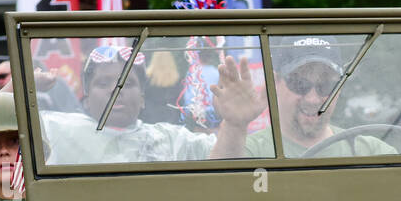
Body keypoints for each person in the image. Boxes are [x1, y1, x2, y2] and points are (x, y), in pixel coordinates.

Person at [40, 44, 262, 163]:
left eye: (127, 83)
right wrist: (15, 88)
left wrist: (234, 124)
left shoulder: (173, 140)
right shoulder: (56, 130)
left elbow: (222, 167)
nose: (115, 90)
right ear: (86, 98)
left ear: (143, 98)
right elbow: (6, 127)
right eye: (103, 82)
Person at [244, 37, 396, 159]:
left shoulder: (373, 153)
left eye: (326, 85)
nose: (313, 99)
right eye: (300, 84)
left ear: (339, 87)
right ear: (276, 82)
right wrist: (234, 125)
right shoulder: (250, 151)